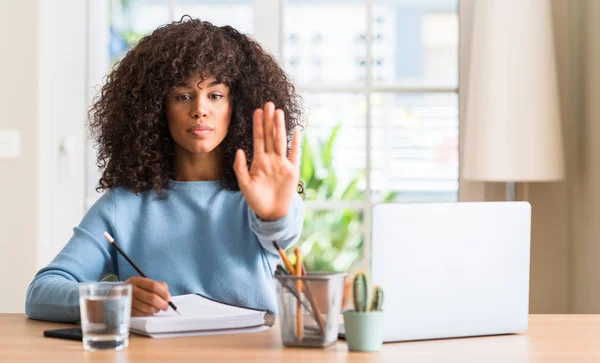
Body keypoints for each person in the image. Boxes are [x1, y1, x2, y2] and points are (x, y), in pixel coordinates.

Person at [25, 17, 305, 322]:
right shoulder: (123, 206)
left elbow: (282, 231)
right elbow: (41, 293)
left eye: (215, 95)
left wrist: (273, 215)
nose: (200, 108)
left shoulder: (257, 197)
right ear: (156, 108)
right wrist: (115, 298)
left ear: (235, 107)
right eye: (182, 96)